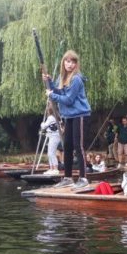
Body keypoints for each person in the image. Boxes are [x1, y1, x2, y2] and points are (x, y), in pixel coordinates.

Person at [43, 50, 91, 189]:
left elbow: (69, 99)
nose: (70, 64)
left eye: (73, 62)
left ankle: (83, 178)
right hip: (68, 116)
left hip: (80, 115)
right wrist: (49, 82)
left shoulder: (76, 79)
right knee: (67, 146)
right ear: (63, 62)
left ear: (76, 64)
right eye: (67, 61)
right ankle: (68, 177)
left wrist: (52, 95)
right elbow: (59, 91)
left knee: (78, 146)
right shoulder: (62, 77)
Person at [40, 104, 61, 175]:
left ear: (49, 111)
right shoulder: (56, 117)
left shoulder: (51, 118)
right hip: (52, 136)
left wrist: (42, 123)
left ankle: (55, 169)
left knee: (51, 153)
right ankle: (51, 168)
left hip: (54, 136)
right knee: (49, 153)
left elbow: (44, 126)